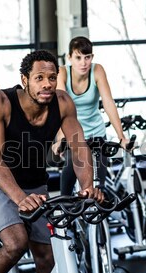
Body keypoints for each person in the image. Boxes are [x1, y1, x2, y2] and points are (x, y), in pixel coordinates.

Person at [0, 50, 104, 273]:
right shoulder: (0, 102)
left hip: (35, 185)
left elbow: (79, 149)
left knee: (48, 256)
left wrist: (88, 185)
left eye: (52, 77)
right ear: (25, 79)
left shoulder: (63, 102)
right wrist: (20, 198)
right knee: (16, 243)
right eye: (39, 77)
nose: (47, 84)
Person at [53, 36, 129, 196]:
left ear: (92, 57)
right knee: (70, 167)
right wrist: (60, 139)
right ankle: (65, 209)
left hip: (96, 132)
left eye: (87, 57)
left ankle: (99, 218)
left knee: (99, 185)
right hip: (71, 133)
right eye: (78, 57)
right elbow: (61, 108)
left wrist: (121, 137)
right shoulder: (63, 73)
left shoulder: (97, 70)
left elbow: (108, 103)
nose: (83, 63)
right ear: (69, 58)